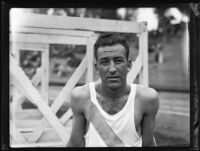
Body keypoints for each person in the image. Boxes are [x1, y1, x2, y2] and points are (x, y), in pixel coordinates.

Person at [67, 33, 159, 147]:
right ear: (97, 68)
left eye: (118, 61)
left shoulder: (146, 99)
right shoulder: (81, 97)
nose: (112, 69)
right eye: (105, 62)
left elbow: (149, 144)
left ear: (129, 65)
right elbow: (75, 143)